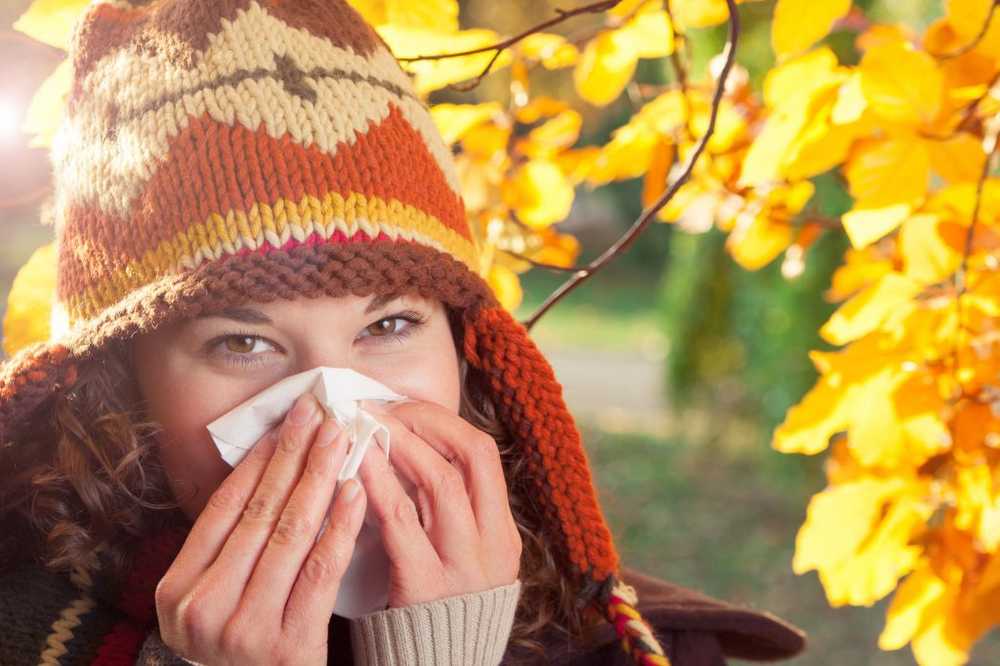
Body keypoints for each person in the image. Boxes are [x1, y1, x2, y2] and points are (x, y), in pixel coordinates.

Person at [0, 1, 807, 664]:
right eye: (240, 343)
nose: (329, 411)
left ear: (467, 352)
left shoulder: (620, 643)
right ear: (118, 384)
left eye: (388, 323)